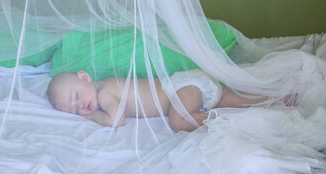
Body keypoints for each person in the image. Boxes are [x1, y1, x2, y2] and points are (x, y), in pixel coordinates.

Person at [47, 70, 289, 132]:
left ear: (86, 77)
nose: (81, 106)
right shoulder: (107, 85)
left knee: (178, 122)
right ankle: (274, 100)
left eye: (77, 96)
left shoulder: (104, 93)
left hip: (182, 89)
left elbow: (117, 121)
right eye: (73, 109)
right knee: (232, 99)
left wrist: (93, 116)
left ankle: (231, 120)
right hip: (188, 86)